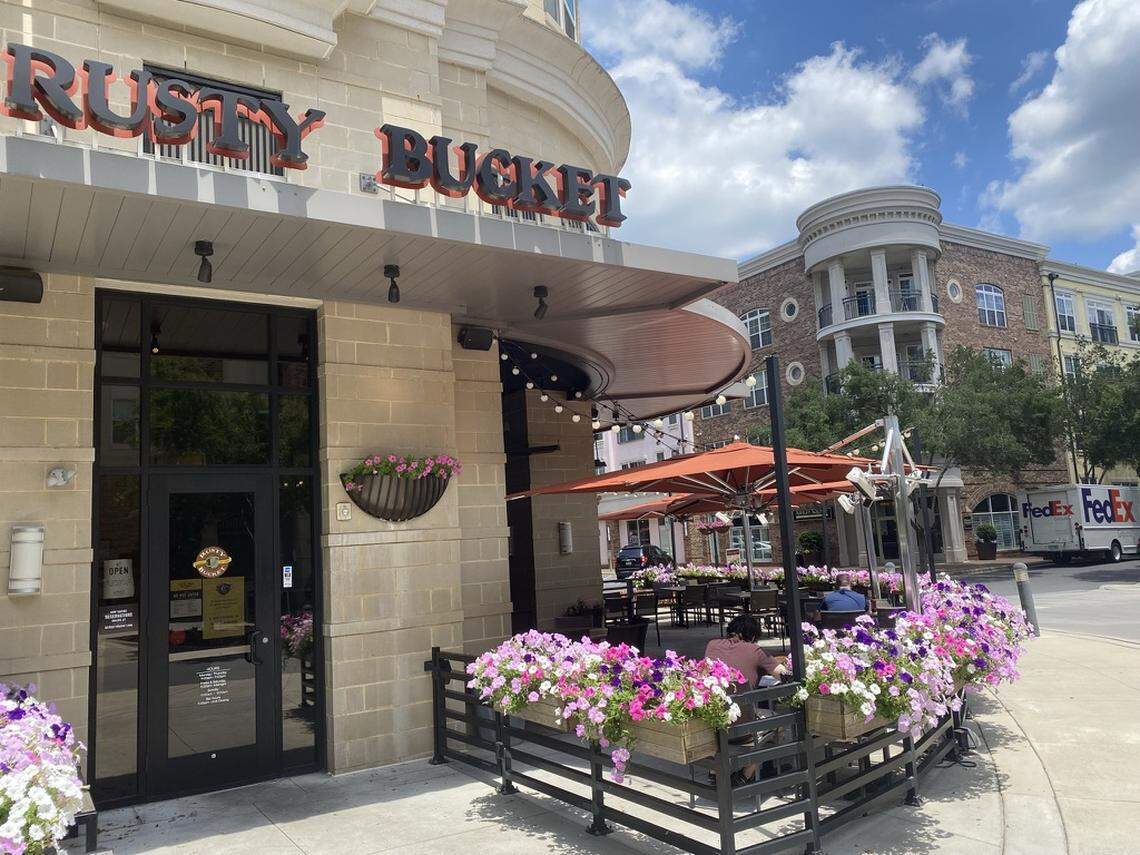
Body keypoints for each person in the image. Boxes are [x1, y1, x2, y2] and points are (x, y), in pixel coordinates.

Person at [705, 614, 786, 785]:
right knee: (779, 724)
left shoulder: (711, 645)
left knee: (724, 709)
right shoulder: (755, 650)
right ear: (754, 636)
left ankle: (715, 771)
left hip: (712, 726)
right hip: (743, 729)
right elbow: (784, 674)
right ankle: (745, 775)